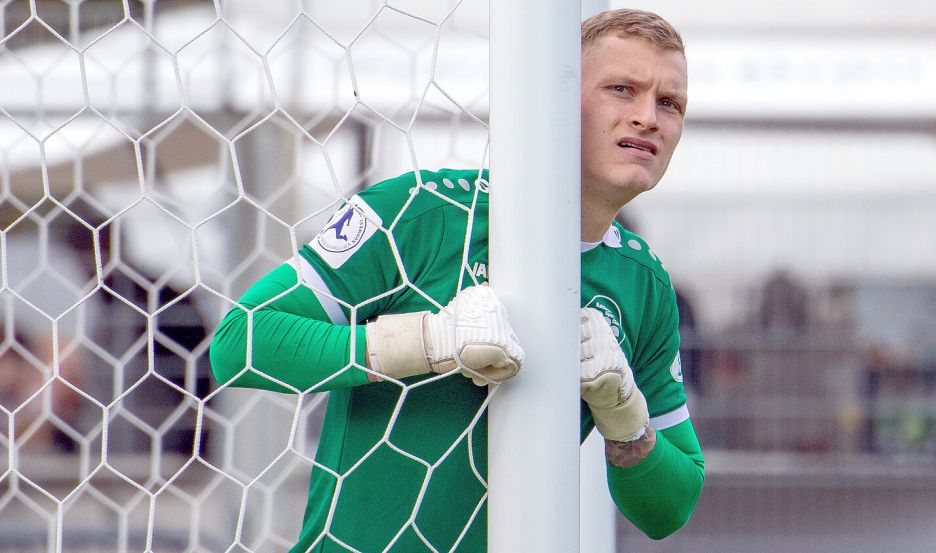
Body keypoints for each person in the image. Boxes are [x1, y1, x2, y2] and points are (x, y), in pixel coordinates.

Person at [210, 9, 704, 552]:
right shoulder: (422, 211)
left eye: (669, 103)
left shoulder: (643, 285)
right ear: (556, 98)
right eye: (622, 89)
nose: (648, 117)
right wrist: (426, 341)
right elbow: (240, 343)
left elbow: (670, 508)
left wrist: (626, 417)